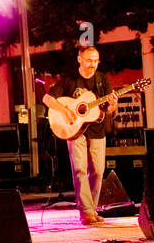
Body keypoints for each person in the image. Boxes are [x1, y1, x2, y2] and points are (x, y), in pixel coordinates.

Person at [42, 45, 113, 226]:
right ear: (79, 59)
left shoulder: (101, 80)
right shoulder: (69, 81)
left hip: (97, 130)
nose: (93, 64)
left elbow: (110, 109)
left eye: (96, 60)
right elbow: (47, 99)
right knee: (80, 170)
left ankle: (92, 209)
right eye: (89, 60)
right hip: (74, 131)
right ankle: (86, 212)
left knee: (98, 171)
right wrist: (64, 110)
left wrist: (113, 104)